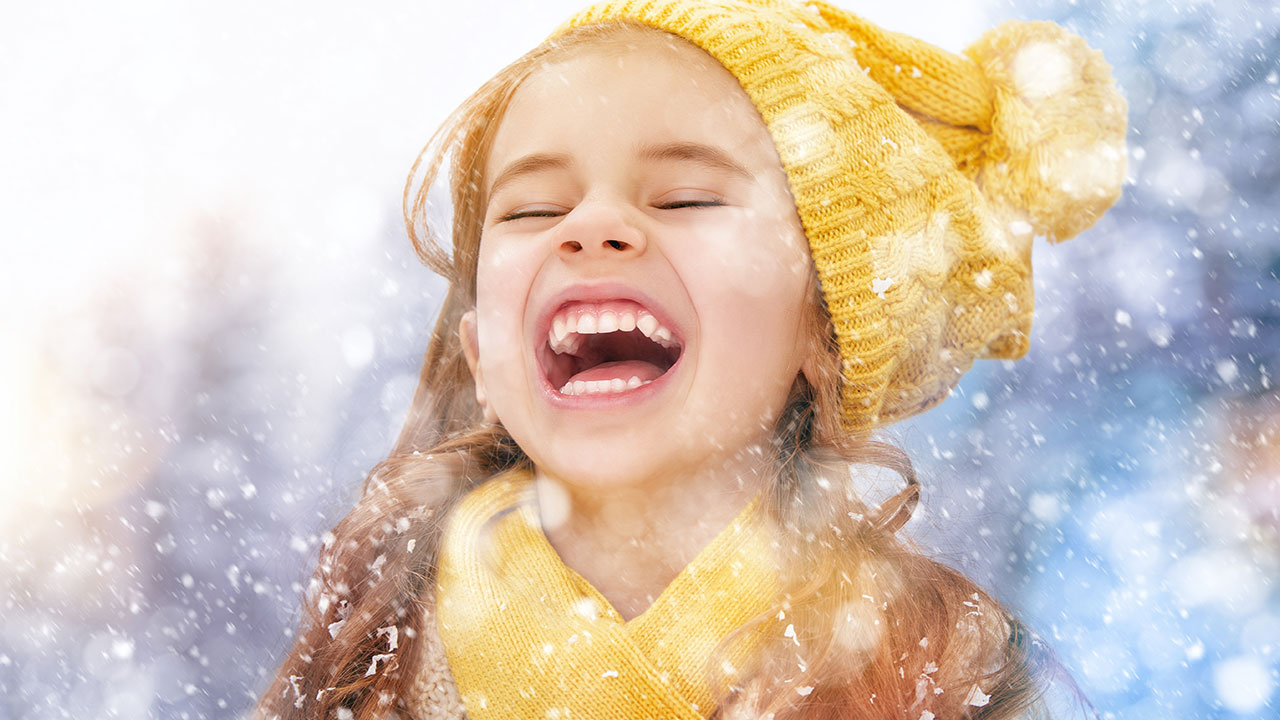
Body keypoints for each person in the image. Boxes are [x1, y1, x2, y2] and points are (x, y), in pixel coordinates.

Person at [254, 1, 1127, 718]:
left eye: (685, 195)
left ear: (829, 330)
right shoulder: (364, 662)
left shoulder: (936, 675)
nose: (591, 225)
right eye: (530, 210)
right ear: (481, 352)